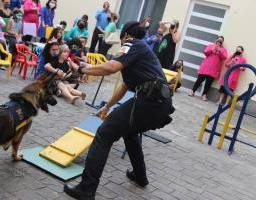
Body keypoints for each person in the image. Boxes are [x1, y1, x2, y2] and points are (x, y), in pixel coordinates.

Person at [63, 21, 174, 200]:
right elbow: (124, 86)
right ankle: (140, 176)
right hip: (161, 105)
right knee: (130, 132)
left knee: (104, 134)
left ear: (125, 35)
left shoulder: (132, 43)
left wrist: (84, 69)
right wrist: (107, 107)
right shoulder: (141, 50)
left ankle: (86, 189)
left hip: (149, 100)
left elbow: (111, 67)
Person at [189, 36, 227, 101]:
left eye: (221, 41)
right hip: (206, 66)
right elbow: (205, 53)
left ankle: (204, 95)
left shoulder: (223, 49)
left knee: (208, 83)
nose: (219, 42)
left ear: (222, 42)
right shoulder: (210, 46)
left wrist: (219, 51)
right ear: (216, 40)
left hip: (214, 68)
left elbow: (224, 57)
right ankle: (192, 91)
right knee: (199, 80)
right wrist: (212, 49)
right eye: (218, 40)